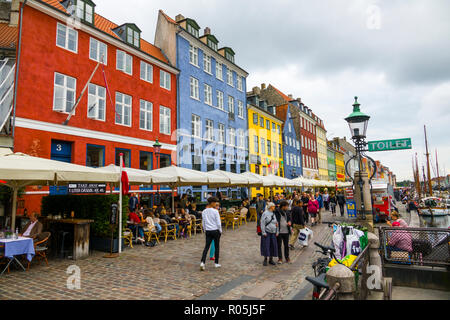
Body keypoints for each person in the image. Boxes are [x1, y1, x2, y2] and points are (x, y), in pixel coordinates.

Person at [200, 197, 222, 271]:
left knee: (206, 247)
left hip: (208, 231)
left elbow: (203, 222)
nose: (216, 204)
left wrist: (205, 229)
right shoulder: (215, 211)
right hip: (215, 230)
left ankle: (202, 262)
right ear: (212, 203)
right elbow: (218, 223)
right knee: (217, 247)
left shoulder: (204, 211)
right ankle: (216, 263)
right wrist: (220, 231)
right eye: (215, 202)